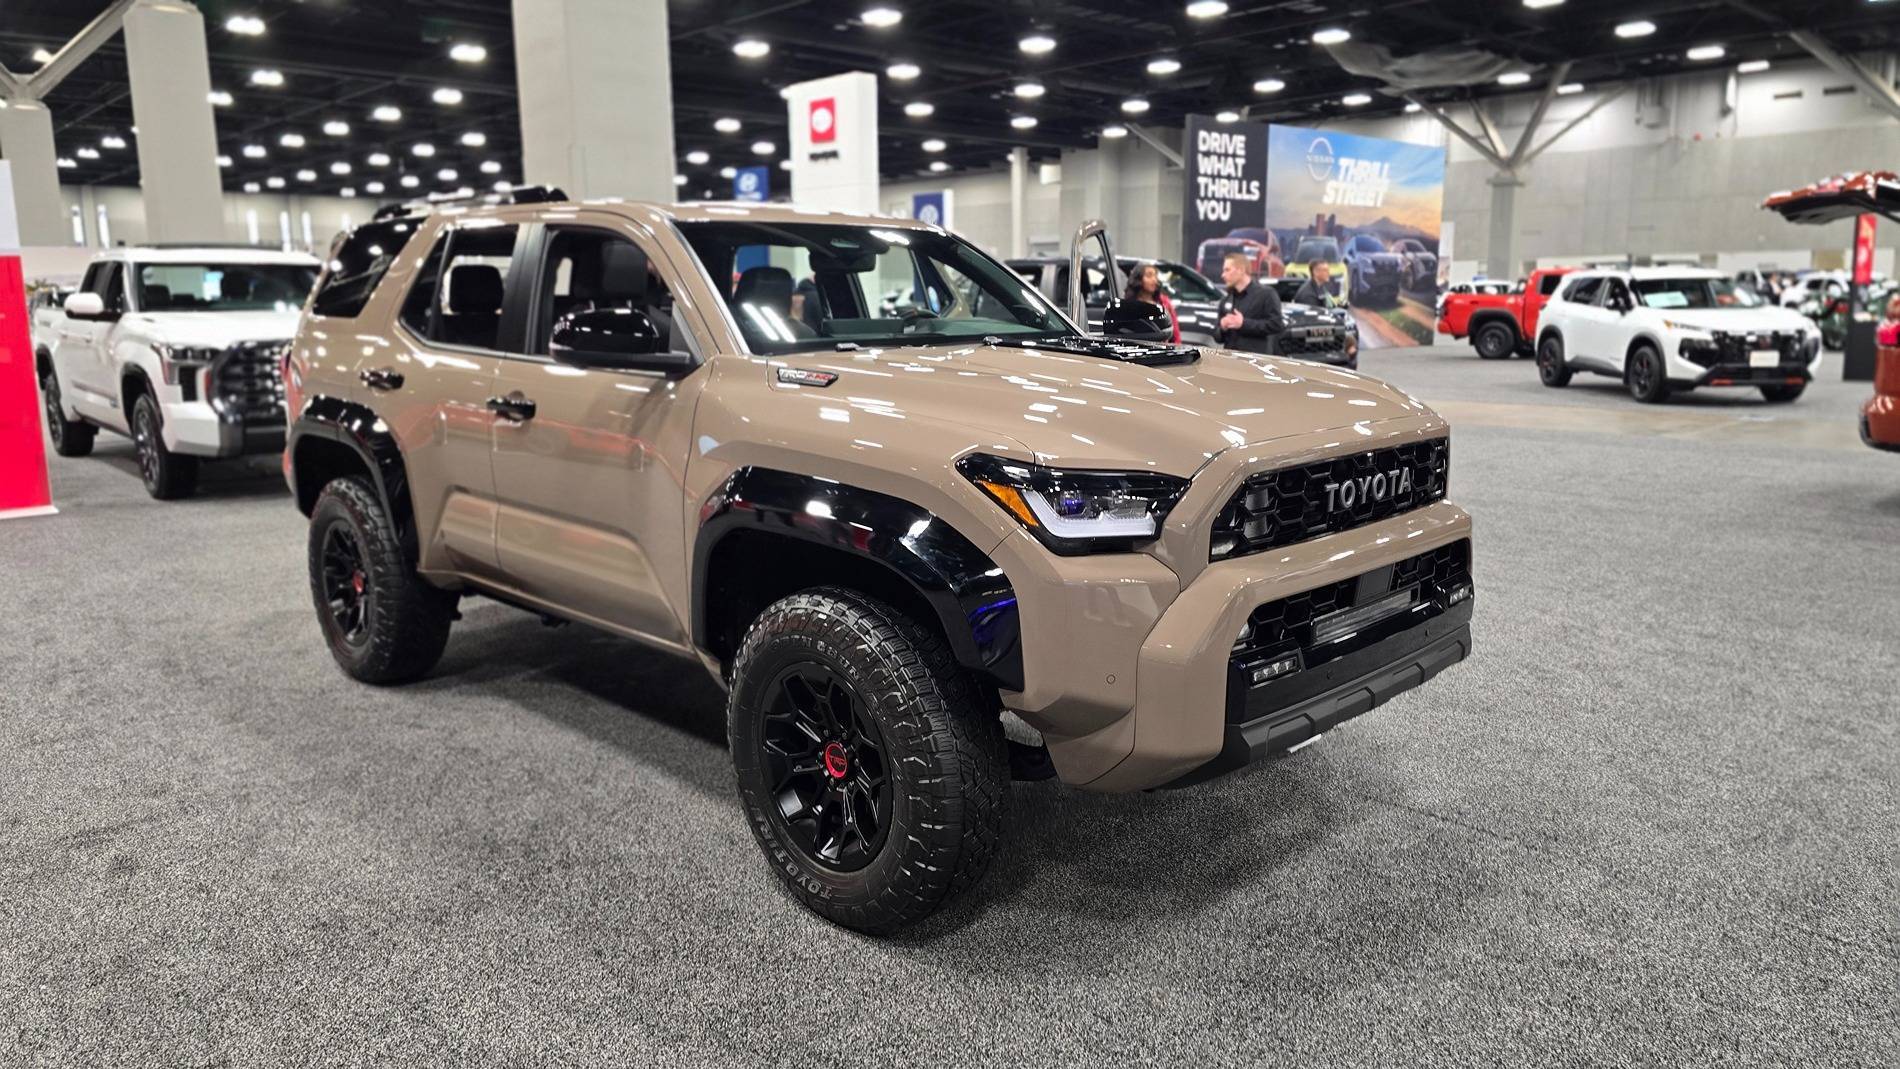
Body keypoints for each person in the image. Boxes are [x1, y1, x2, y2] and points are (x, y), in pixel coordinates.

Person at [1217, 251, 1283, 354]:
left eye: (1227, 270)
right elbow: (1217, 337)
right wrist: (1222, 327)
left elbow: (1276, 325)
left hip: (1257, 361)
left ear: (1241, 270)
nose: (1223, 275)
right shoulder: (1226, 300)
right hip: (1230, 362)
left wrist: (1244, 324)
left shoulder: (1266, 294)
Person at [1123, 261, 1180, 344]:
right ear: (1139, 278)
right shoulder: (1129, 305)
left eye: (1155, 276)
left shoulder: (1164, 302)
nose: (1154, 280)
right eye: (1149, 275)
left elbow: (1176, 336)